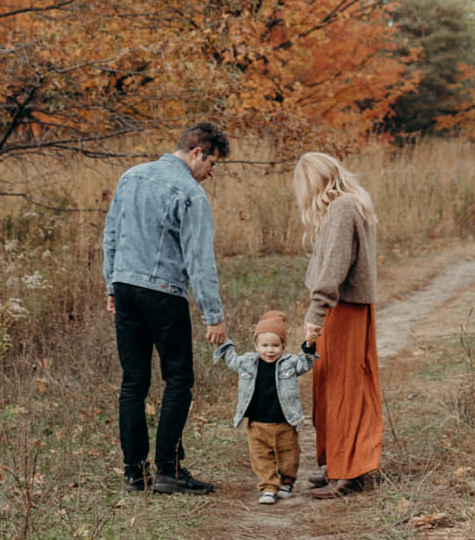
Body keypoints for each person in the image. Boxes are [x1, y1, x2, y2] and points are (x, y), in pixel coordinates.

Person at [102, 121, 230, 495]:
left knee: (133, 381)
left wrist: (112, 285)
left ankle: (133, 473)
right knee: (178, 378)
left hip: (125, 287)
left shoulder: (131, 176)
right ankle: (169, 469)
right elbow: (199, 260)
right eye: (213, 163)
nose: (212, 172)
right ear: (196, 152)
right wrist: (214, 316)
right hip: (163, 292)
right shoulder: (190, 194)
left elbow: (111, 236)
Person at [296, 151, 382, 498]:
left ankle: (347, 470)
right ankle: (339, 463)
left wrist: (316, 314)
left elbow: (335, 265)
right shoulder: (352, 204)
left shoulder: (342, 208)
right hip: (347, 307)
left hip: (342, 309)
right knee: (336, 385)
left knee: (344, 388)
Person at [211, 309, 320, 505]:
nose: (270, 351)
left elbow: (305, 364)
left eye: (275, 346)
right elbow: (231, 359)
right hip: (257, 423)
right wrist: (222, 340)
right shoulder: (247, 363)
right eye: (264, 346)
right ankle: (269, 486)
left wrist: (310, 344)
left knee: (289, 456)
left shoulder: (289, 363)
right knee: (260, 457)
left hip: (285, 422)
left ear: (283, 346)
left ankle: (287, 481)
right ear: (256, 345)